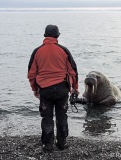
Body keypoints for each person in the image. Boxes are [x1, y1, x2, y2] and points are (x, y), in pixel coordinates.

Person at [27, 24, 79, 152]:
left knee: (47, 118)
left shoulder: (37, 51)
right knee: (62, 116)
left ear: (45, 35)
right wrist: (75, 88)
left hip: (45, 90)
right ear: (57, 36)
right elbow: (73, 71)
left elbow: (31, 74)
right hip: (62, 89)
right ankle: (62, 143)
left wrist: (34, 89)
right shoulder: (64, 50)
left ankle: (47, 145)